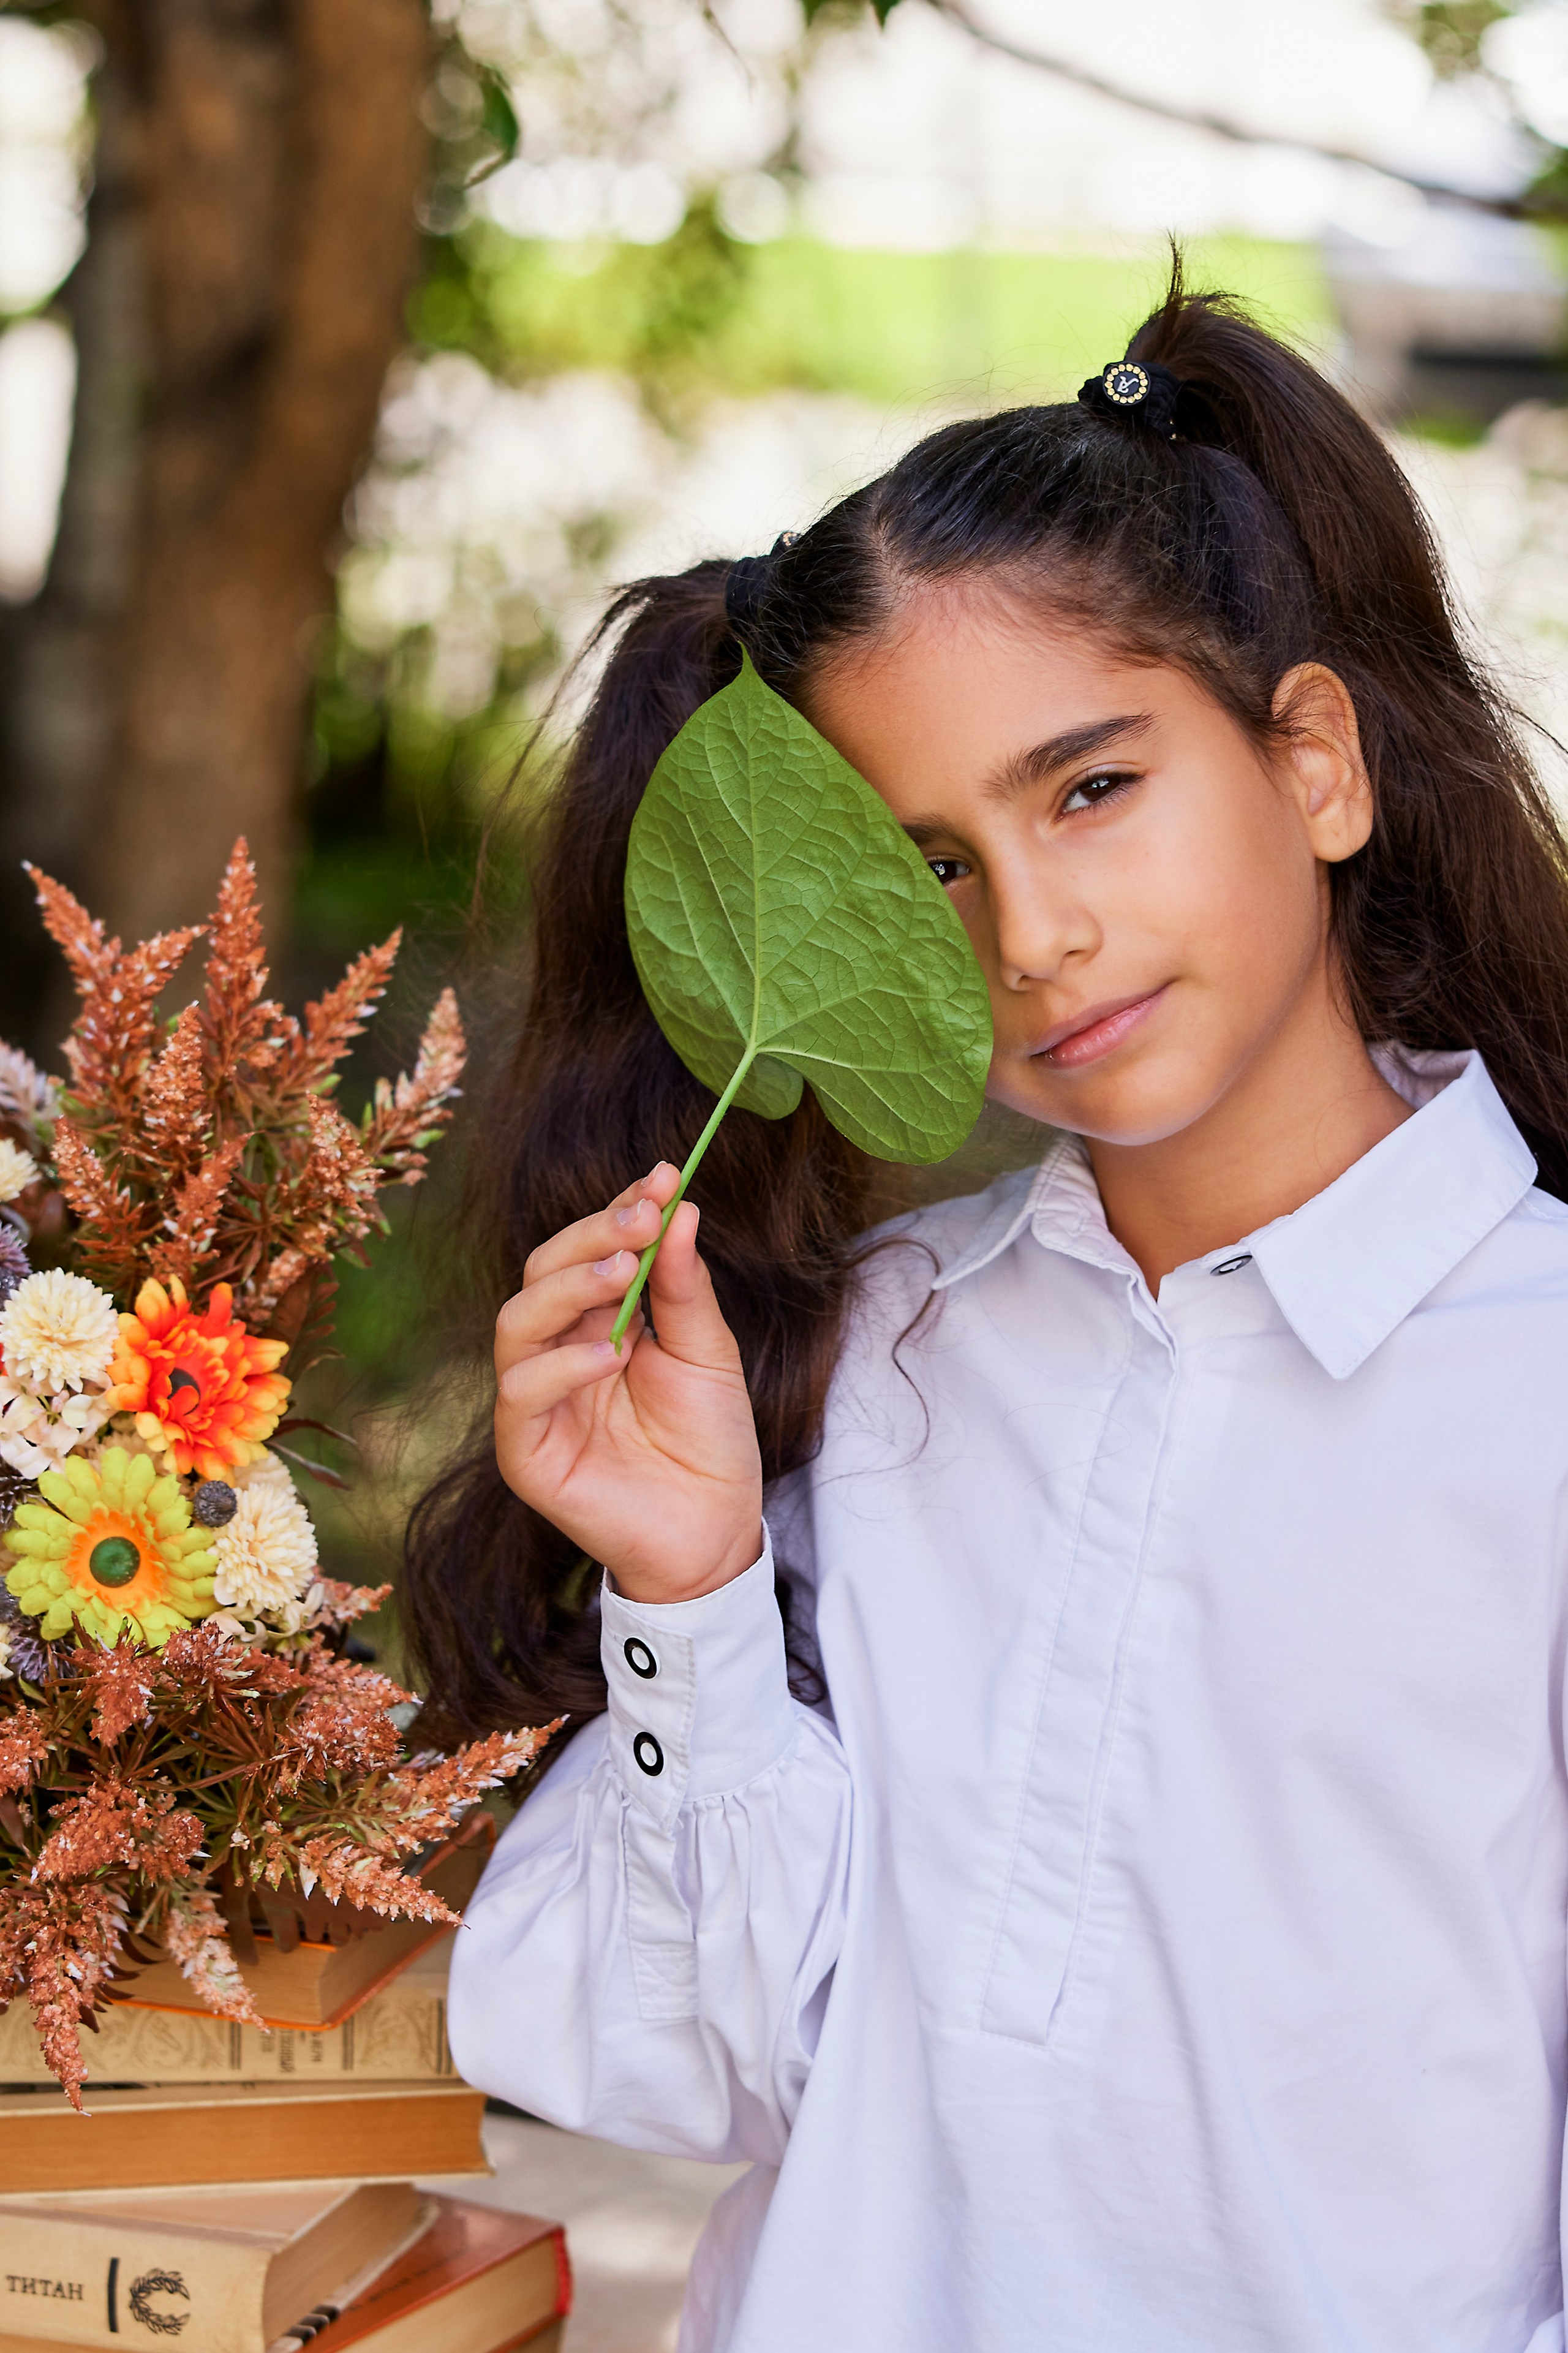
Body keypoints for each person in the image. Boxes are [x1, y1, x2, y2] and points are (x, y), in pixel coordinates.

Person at [404, 270, 1568, 2353]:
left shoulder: (1539, 1387)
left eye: (1091, 788)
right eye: (926, 867)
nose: (1029, 933)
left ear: (1316, 764)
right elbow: (692, 2079)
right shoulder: (878, 1351)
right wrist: (689, 1584)